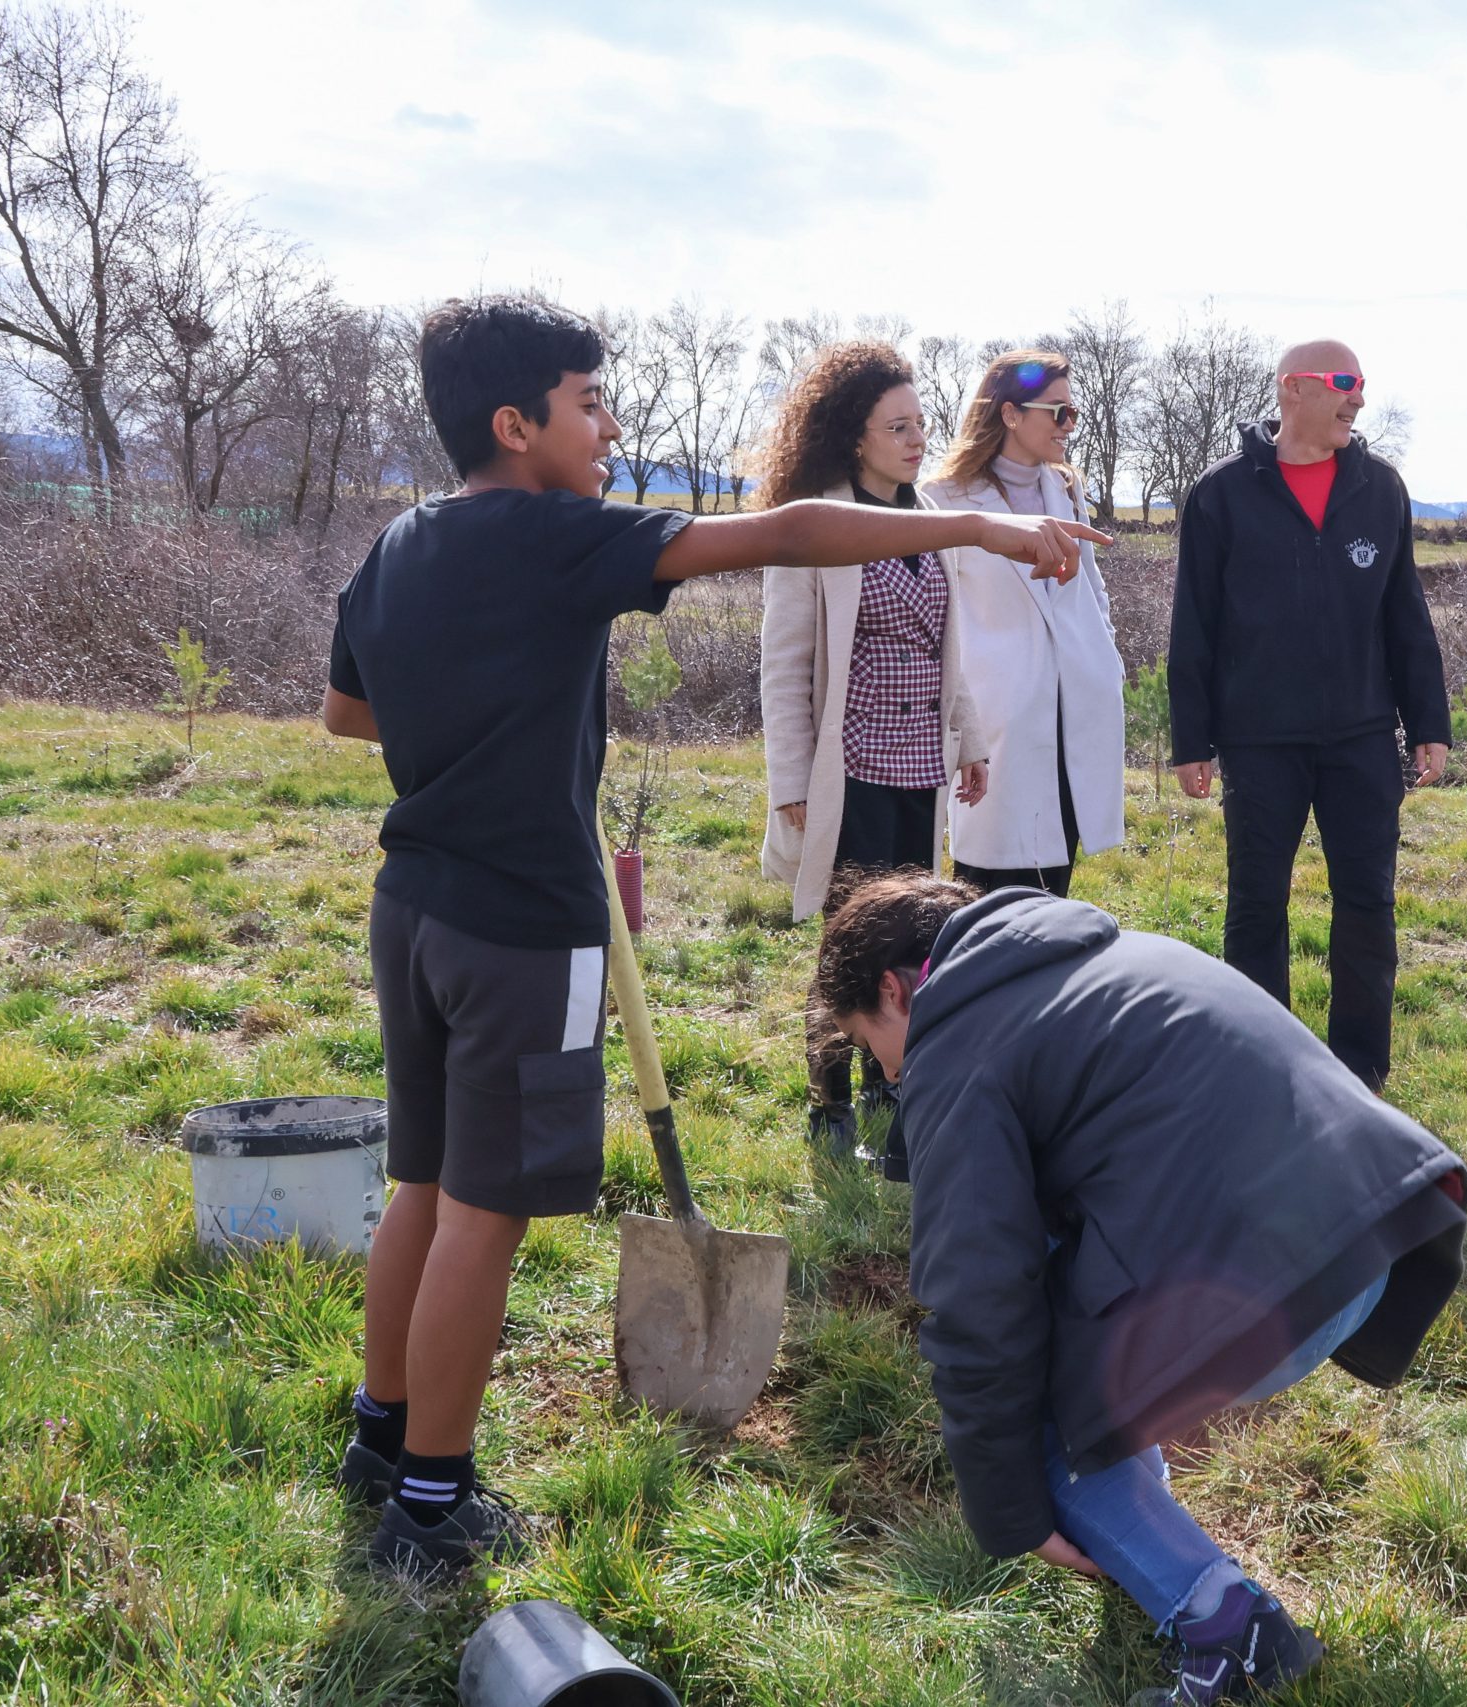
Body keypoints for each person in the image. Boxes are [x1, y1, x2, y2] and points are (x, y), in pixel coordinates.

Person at [321, 298, 1103, 1579]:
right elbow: (787, 530)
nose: (610, 424)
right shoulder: (557, 534)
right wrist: (976, 523)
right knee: (485, 1209)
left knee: (422, 1180)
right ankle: (432, 1501)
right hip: (524, 926)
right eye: (588, 402)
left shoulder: (401, 542)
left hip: (411, 906)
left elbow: (349, 716)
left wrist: (476, 718)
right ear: (518, 426)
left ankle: (381, 1434)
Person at [817, 873, 1467, 1707]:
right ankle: (1138, 1518)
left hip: (1282, 1284)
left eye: (871, 1044)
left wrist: (1014, 1507)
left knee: (1032, 1425)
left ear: (893, 986)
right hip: (1372, 1232)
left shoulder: (956, 1044)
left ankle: (1234, 1633)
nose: (886, 1071)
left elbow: (978, 1304)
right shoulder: (1100, 956)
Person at [1166, 340, 1450, 1093]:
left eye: (1361, 384)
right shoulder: (1221, 495)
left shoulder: (1380, 488)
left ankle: (1360, 1076)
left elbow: (1405, 612)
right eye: (1344, 383)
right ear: (1293, 390)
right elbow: (1193, 625)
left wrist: (1429, 720)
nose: (1358, 398)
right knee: (1256, 907)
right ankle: (1262, 1074)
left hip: (1360, 736)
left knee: (1367, 904)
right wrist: (1191, 738)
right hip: (1259, 741)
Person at [757, 340, 989, 1153]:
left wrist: (970, 741)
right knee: (847, 942)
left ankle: (891, 1095)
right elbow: (784, 665)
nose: (917, 437)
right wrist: (790, 777)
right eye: (898, 426)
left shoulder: (932, 521)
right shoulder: (818, 519)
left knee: (914, 944)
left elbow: (947, 647)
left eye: (921, 423)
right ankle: (829, 1104)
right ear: (855, 437)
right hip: (846, 770)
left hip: (920, 767)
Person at [921, 349, 1126, 897]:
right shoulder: (943, 500)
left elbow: (1091, 589)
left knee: (1056, 875)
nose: (1069, 425)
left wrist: (1108, 660)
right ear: (1011, 414)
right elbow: (938, 611)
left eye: (1073, 412)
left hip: (1076, 710)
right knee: (987, 884)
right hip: (1000, 716)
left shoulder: (1067, 488)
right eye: (1057, 412)